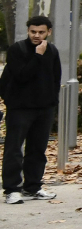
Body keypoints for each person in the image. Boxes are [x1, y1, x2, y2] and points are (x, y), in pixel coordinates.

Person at [3, 15, 62, 204]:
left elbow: (55, 77)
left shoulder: (52, 50)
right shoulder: (17, 49)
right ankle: (12, 189)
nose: (37, 35)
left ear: (49, 32)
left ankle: (33, 187)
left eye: (41, 32)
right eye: (33, 32)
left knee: (37, 149)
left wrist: (53, 102)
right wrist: (38, 55)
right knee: (14, 149)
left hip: (44, 108)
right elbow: (21, 76)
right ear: (28, 31)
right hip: (20, 108)